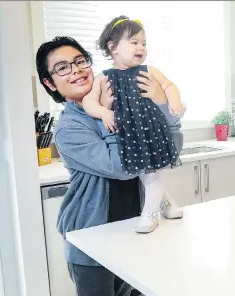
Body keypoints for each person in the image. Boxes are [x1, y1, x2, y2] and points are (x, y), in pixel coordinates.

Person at [36, 36, 180, 295]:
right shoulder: (69, 128)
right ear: (50, 83)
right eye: (62, 68)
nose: (76, 70)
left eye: (80, 61)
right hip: (92, 242)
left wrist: (163, 106)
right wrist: (106, 113)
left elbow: (168, 151)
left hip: (134, 232)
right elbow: (121, 166)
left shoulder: (126, 101)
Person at [82, 16, 186, 233]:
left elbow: (169, 86)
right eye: (134, 42)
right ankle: (167, 204)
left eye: (144, 43)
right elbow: (88, 102)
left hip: (151, 132)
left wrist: (174, 101)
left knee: (153, 173)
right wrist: (104, 112)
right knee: (145, 173)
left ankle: (150, 215)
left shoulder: (149, 71)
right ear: (113, 48)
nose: (141, 47)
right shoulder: (104, 77)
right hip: (128, 135)